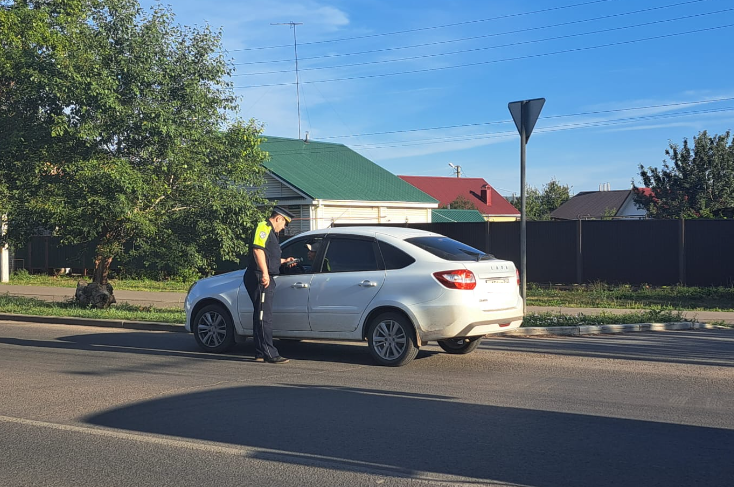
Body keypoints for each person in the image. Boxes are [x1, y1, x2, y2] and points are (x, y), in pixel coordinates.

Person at [244, 206, 296, 364]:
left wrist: (284, 261)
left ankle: (260, 352)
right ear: (279, 218)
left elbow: (268, 256)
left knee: (260, 315)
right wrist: (265, 273)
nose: (284, 227)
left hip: (263, 275)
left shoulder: (272, 233)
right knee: (264, 317)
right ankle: (269, 353)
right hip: (260, 277)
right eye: (285, 223)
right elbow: (258, 250)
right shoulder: (264, 227)